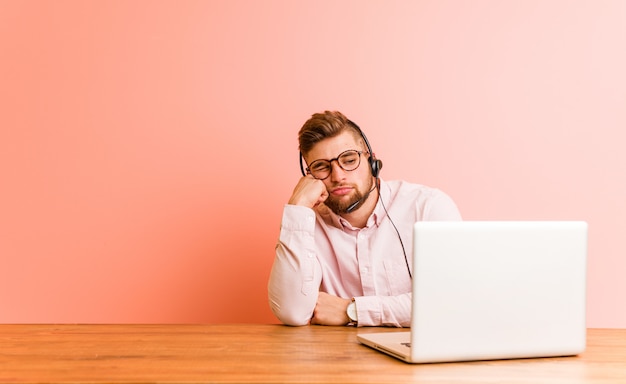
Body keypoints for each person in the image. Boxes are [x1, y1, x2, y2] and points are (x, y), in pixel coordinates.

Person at [268, 111, 462, 327]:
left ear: (371, 160)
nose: (338, 176)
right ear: (309, 175)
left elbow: (450, 301)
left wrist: (352, 310)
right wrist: (297, 207)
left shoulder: (428, 207)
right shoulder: (306, 224)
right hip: (340, 358)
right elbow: (292, 312)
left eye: (349, 160)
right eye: (321, 167)